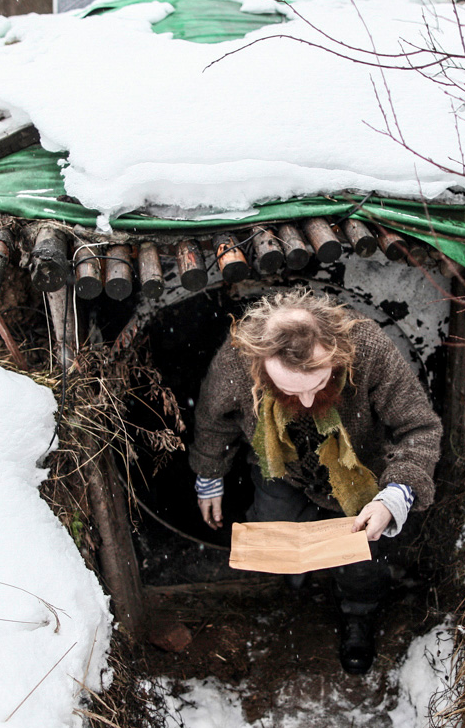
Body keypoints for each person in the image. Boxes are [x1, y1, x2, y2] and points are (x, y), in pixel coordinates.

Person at [189, 288, 442, 674]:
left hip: (358, 472)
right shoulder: (239, 358)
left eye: (318, 384)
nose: (307, 402)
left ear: (337, 353)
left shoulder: (368, 347)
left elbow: (419, 428)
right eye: (292, 390)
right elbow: (213, 416)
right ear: (262, 365)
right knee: (273, 527)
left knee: (364, 559)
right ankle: (296, 580)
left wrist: (395, 496)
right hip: (281, 465)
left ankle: (358, 615)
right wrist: (209, 475)